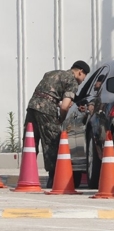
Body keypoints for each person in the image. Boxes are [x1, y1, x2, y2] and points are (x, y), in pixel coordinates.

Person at [23, 60, 91, 188]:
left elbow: (49, 92)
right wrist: (61, 118)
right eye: (83, 77)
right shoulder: (72, 81)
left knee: (30, 143)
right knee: (53, 142)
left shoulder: (51, 73)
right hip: (47, 109)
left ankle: (27, 176)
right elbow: (65, 106)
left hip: (32, 106)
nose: (82, 81)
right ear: (80, 72)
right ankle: (53, 179)